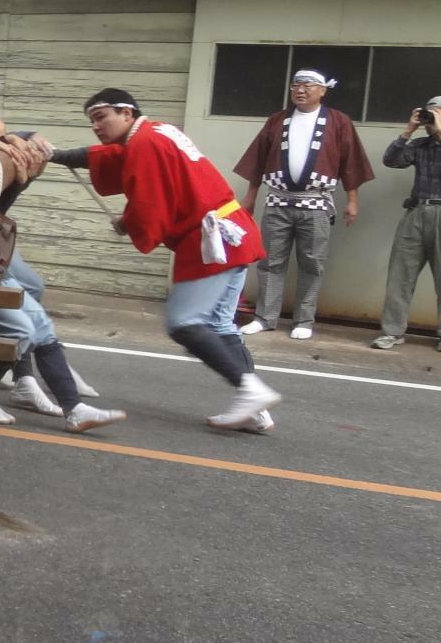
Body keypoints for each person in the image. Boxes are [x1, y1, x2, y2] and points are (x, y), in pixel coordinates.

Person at [50, 90, 277, 430]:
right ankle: (256, 410)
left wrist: (128, 224)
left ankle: (249, 390)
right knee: (219, 326)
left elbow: (150, 204)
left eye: (101, 117)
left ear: (127, 113)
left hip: (213, 241)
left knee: (184, 323)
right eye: (92, 121)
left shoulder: (145, 144)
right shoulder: (156, 131)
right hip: (232, 232)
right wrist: (55, 155)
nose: (96, 126)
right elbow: (108, 158)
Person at [0, 115, 125, 433]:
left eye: (8, 139)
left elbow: (14, 150)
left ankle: (69, 405)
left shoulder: (6, 160)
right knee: (22, 327)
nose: (10, 143)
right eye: (0, 139)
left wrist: (22, 141)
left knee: (37, 316)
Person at [233, 67, 374, 341]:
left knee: (313, 263)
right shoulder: (277, 120)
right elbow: (258, 159)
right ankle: (265, 317)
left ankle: (304, 320)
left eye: (308, 85)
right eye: (296, 85)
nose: (300, 89)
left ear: (323, 90)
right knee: (270, 261)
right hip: (277, 202)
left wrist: (353, 200)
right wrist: (251, 196)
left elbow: (351, 162)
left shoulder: (338, 121)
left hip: (317, 204)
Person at [372, 97, 441, 351]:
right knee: (400, 274)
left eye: (436, 113)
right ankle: (392, 331)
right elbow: (391, 160)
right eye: (429, 113)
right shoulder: (420, 145)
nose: (430, 119)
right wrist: (408, 130)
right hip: (417, 211)